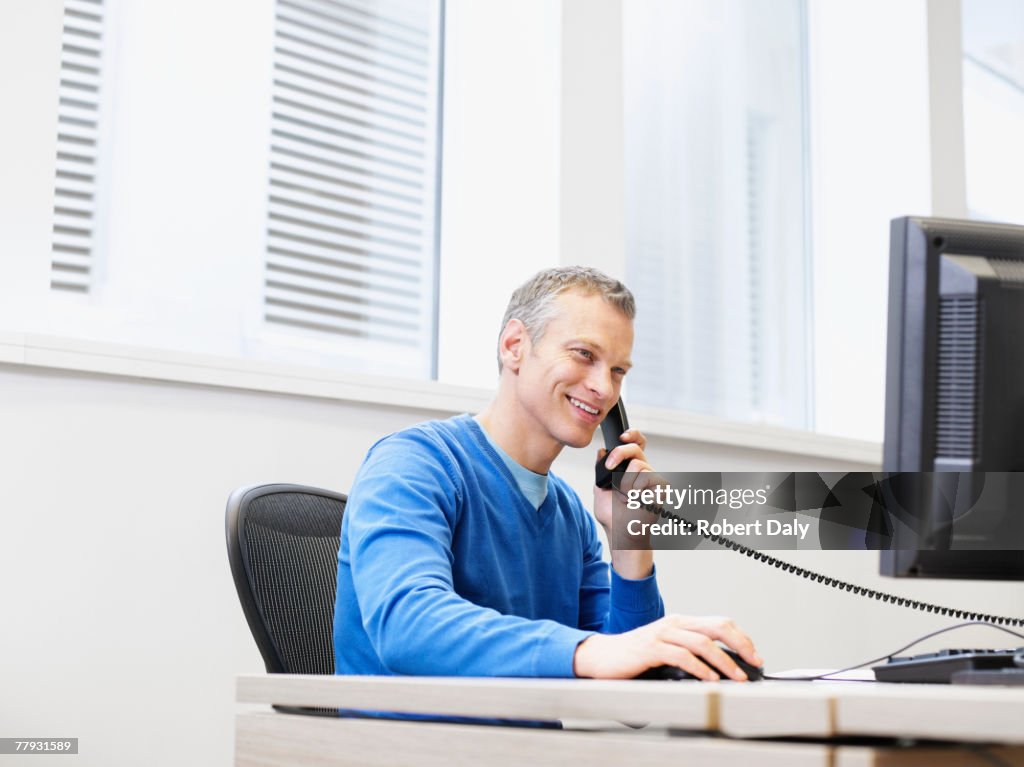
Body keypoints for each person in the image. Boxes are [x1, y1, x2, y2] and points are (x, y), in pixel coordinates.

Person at [332, 266, 762, 681]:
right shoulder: (413, 464)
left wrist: (630, 543)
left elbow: (634, 694)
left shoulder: (567, 515)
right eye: (584, 355)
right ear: (515, 345)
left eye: (617, 371)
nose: (605, 389)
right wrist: (588, 652)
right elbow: (407, 627)